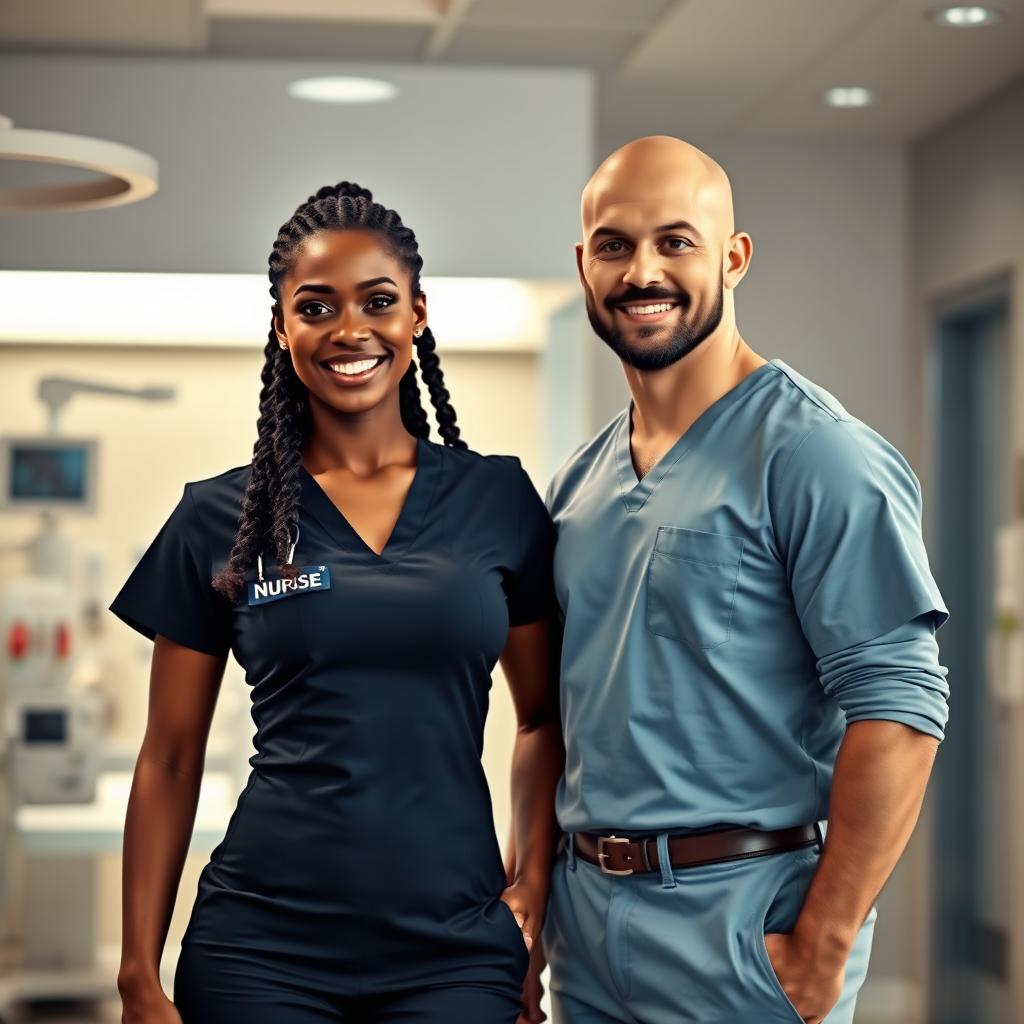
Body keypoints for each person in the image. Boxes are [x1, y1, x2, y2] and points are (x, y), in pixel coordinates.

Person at [518, 136, 950, 1024]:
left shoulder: (816, 454)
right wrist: (535, 915)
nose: (643, 270)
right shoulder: (579, 483)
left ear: (734, 257)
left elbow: (900, 710)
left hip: (745, 929)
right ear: (583, 264)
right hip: (589, 931)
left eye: (676, 241)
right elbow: (554, 719)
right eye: (615, 244)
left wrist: (821, 946)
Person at [110, 181, 563, 1024]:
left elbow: (543, 718)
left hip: (455, 945)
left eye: (377, 301)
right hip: (260, 948)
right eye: (316, 307)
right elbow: (169, 757)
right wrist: (139, 972)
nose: (349, 330)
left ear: (417, 315)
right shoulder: (218, 519)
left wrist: (531, 887)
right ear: (283, 328)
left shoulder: (497, 499)